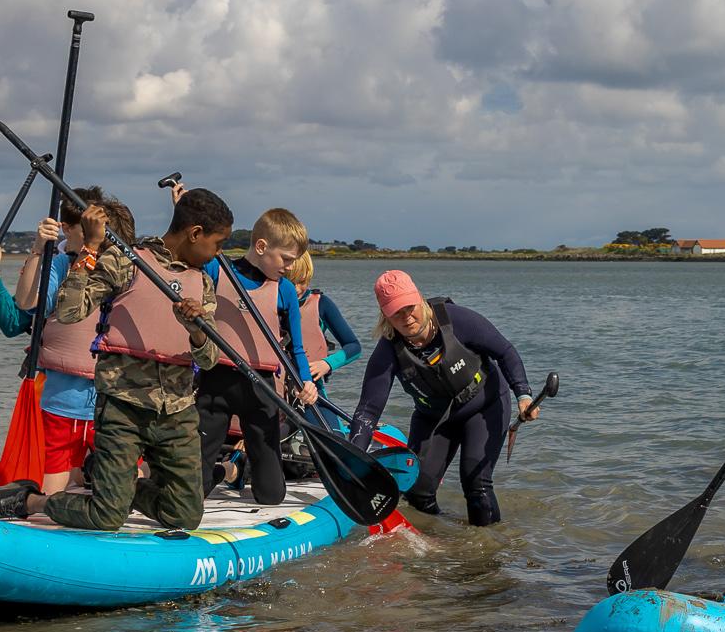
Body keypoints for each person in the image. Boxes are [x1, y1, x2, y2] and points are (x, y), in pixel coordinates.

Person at [0, 189, 230, 530]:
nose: (218, 253)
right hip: (123, 407)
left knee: (185, 516)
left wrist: (195, 330)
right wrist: (89, 248)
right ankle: (30, 500)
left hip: (177, 413)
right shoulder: (127, 261)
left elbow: (208, 360)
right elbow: (71, 310)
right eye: (218, 243)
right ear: (195, 234)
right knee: (106, 518)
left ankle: (117, 488)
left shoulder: (203, 283)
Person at [345, 270, 536, 526]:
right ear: (386, 316)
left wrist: (523, 394)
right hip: (434, 417)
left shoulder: (458, 321)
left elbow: (505, 351)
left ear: (419, 299)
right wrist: (353, 461)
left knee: (476, 483)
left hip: (484, 404)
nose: (406, 317)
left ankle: (488, 555)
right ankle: (443, 541)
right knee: (417, 492)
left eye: (409, 307)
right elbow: (368, 410)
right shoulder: (388, 351)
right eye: (396, 313)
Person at [0, 187, 132, 494]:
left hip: (111, 400)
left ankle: (89, 479)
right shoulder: (57, 262)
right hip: (63, 399)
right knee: (58, 483)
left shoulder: (124, 267)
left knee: (119, 474)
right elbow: (18, 315)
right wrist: (20, 258)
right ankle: (63, 489)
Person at [197, 207, 318, 506]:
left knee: (271, 495)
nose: (290, 267)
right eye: (286, 259)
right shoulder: (217, 269)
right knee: (193, 490)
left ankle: (233, 468)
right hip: (216, 384)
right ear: (262, 247)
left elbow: (296, 348)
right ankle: (216, 471)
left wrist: (305, 380)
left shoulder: (285, 290)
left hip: (260, 390)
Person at [286, 249, 363, 390]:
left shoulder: (322, 303)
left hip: (311, 386)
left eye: (301, 281)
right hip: (273, 385)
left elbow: (354, 346)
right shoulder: (267, 303)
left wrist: (326, 364)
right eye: (290, 282)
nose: (297, 289)